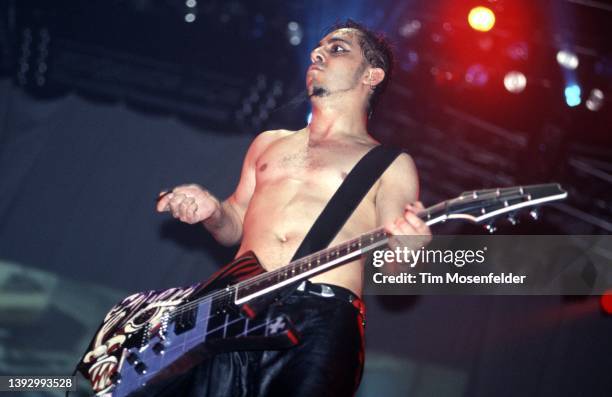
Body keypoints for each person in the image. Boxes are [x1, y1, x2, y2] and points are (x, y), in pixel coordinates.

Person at [156, 19, 431, 397]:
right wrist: (212, 211)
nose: (317, 53)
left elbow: (394, 266)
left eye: (337, 49)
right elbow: (234, 223)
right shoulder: (269, 143)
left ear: (372, 75)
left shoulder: (391, 163)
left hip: (321, 318)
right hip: (237, 308)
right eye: (318, 48)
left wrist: (410, 252)